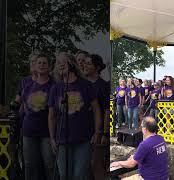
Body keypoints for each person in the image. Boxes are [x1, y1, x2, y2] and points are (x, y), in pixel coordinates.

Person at [48, 52, 102, 180]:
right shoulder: (56, 88)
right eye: (58, 62)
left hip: (83, 138)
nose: (60, 65)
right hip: (62, 138)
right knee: (64, 175)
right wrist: (52, 138)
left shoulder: (85, 85)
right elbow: (51, 115)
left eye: (63, 62)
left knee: (79, 175)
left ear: (71, 64)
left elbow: (96, 109)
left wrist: (97, 132)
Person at [21, 54, 55, 180]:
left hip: (47, 132)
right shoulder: (28, 85)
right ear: (35, 66)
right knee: (29, 165)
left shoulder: (53, 85)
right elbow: (25, 106)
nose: (41, 65)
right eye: (39, 63)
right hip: (29, 131)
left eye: (44, 63)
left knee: (49, 164)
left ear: (49, 67)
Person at [84, 54, 110, 180]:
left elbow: (106, 111)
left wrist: (104, 133)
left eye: (89, 63)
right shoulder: (81, 84)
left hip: (97, 131)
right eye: (85, 63)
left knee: (96, 165)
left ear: (97, 67)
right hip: (82, 129)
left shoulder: (103, 86)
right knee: (85, 166)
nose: (85, 66)